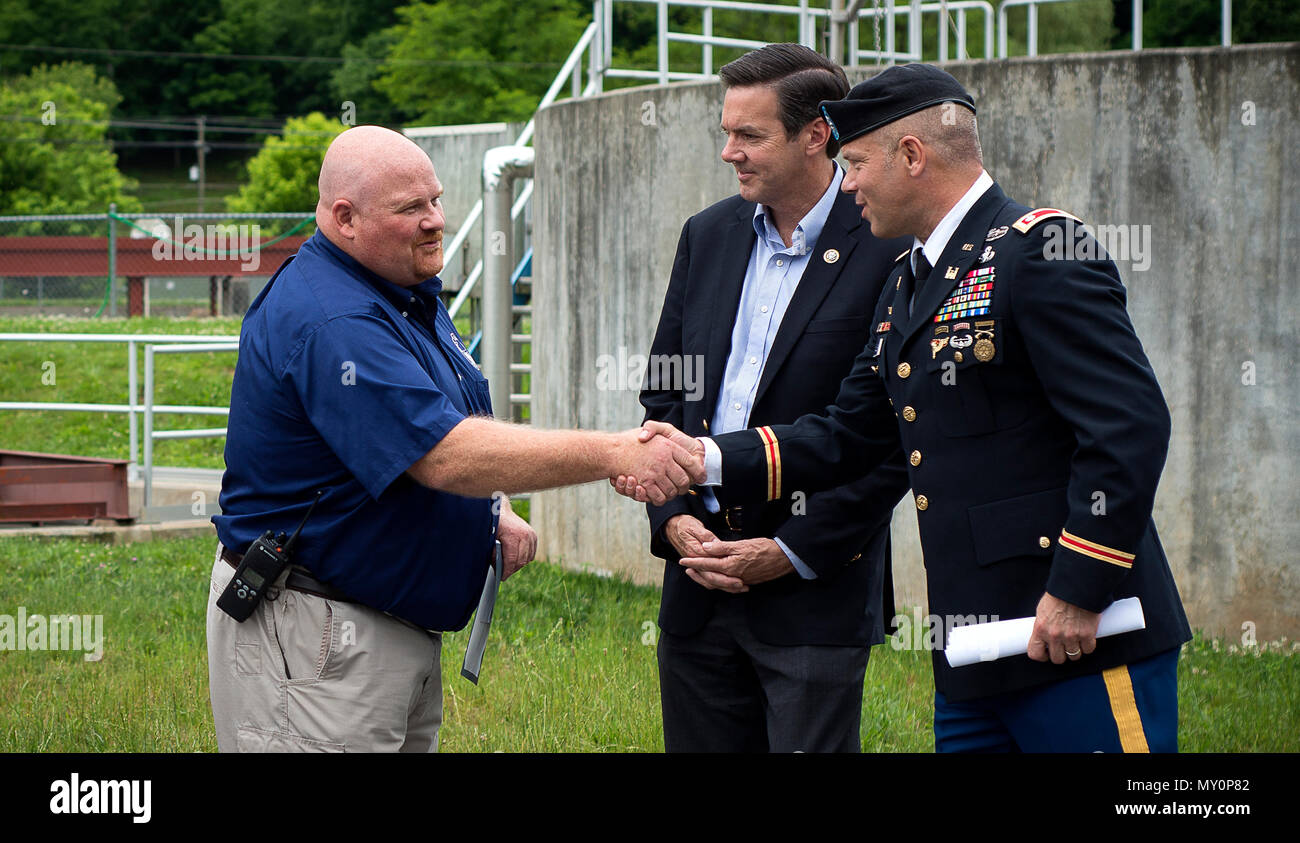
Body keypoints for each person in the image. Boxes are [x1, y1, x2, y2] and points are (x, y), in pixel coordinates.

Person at [622, 64, 1192, 753]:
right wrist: (703, 457)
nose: (849, 181)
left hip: (1080, 634)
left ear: (913, 157)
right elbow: (849, 432)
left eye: (857, 162)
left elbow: (1127, 427)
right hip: (974, 653)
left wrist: (1081, 585)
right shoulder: (909, 283)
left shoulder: (1038, 251)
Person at [208, 125, 702, 752]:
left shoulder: (397, 288)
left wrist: (490, 507)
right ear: (345, 217)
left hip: (375, 626)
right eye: (410, 209)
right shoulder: (334, 320)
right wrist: (613, 452)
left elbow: (432, 421)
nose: (435, 221)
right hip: (316, 631)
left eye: (436, 200)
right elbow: (443, 454)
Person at [639, 44, 910, 753]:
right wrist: (671, 517)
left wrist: (790, 550)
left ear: (817, 133)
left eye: (749, 134)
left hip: (814, 595)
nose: (729, 152)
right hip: (696, 588)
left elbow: (889, 441)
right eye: (725, 131)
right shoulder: (708, 235)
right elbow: (666, 396)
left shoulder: (889, 247)